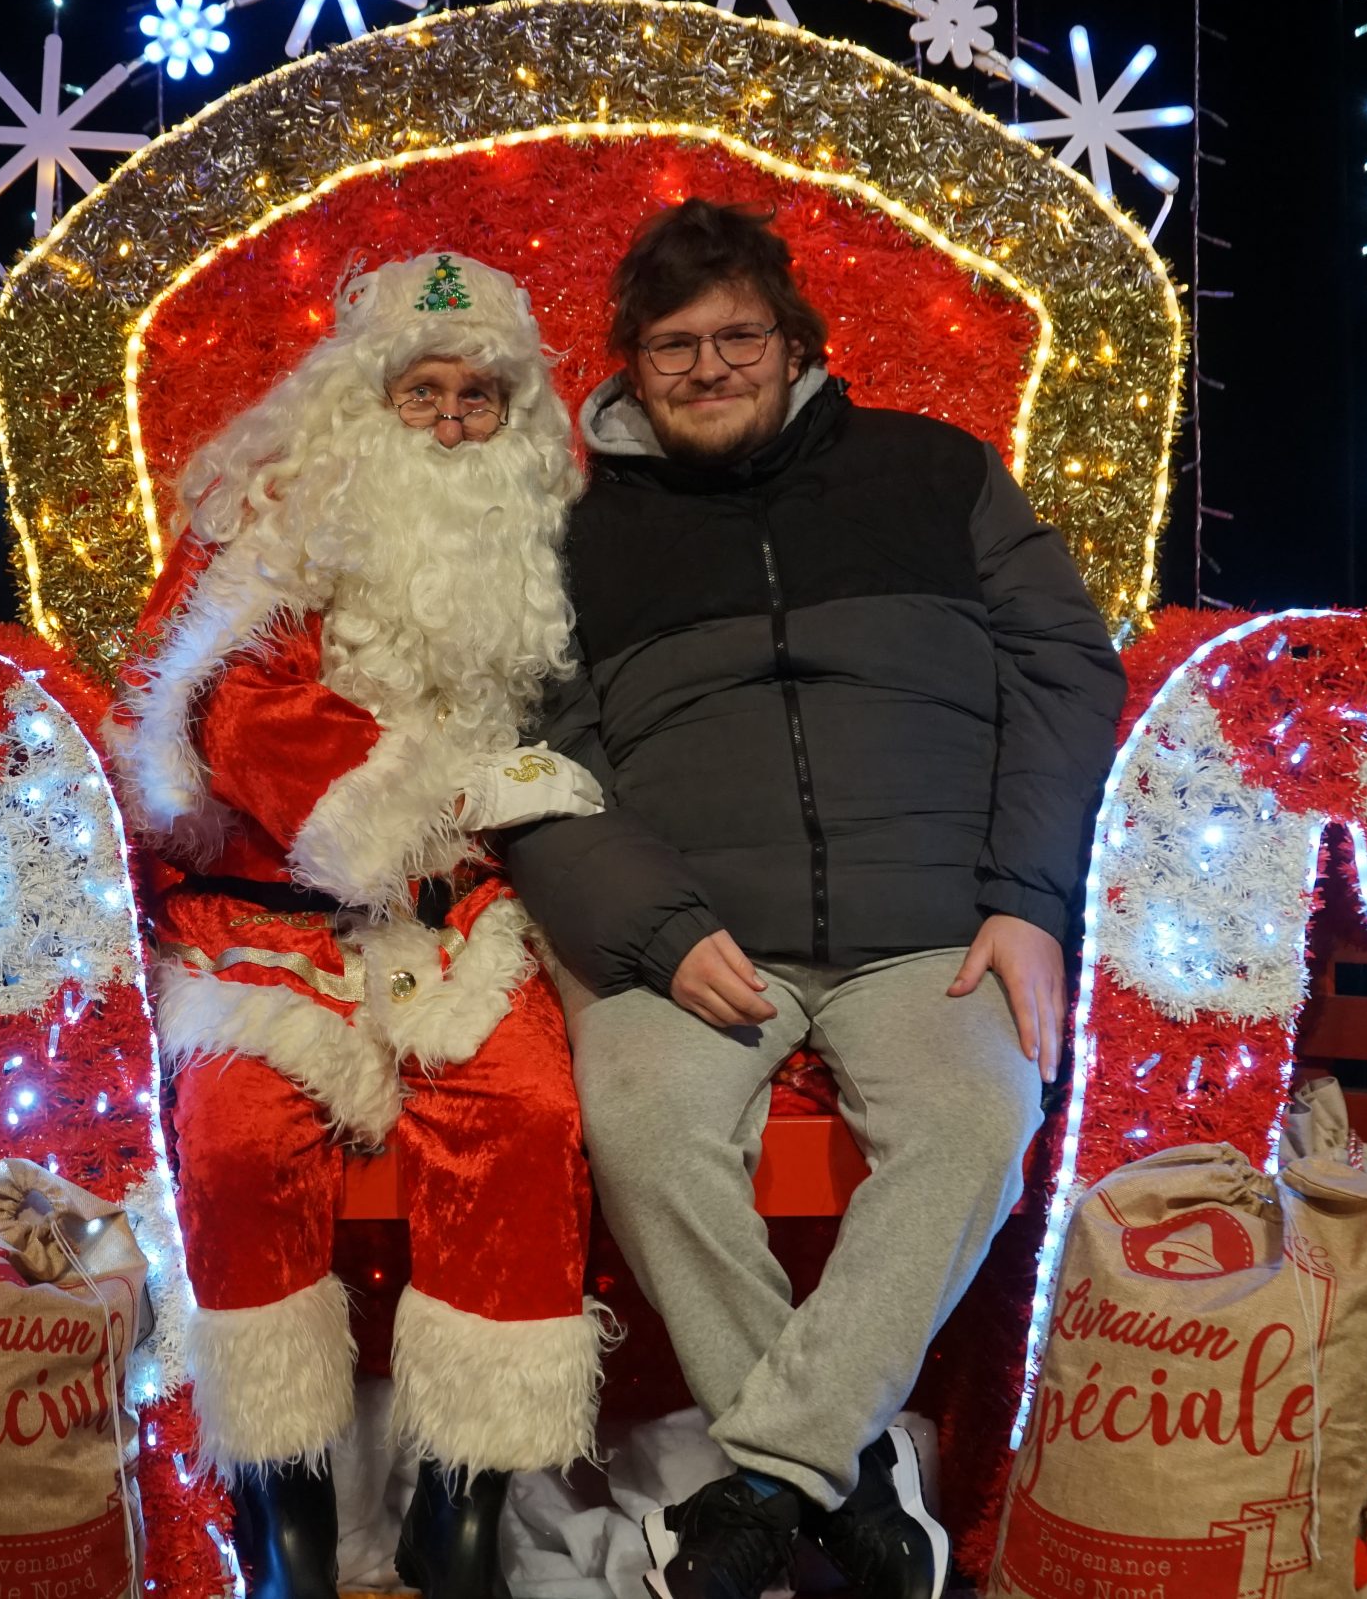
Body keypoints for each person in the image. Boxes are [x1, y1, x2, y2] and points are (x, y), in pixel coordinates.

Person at [504, 200, 1126, 1599]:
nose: (709, 367)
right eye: (674, 346)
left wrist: (1027, 901)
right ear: (629, 366)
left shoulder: (938, 473)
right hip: (695, 937)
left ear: (795, 343)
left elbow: (1066, 672)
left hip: (935, 924)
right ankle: (848, 1479)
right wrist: (656, 930)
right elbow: (537, 762)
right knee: (648, 1128)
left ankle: (768, 1483)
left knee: (978, 1117)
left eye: (739, 337)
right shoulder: (569, 540)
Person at [110, 251, 609, 1599]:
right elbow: (220, 705)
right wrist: (444, 794)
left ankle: (461, 1510)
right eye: (422, 392)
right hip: (271, 924)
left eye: (478, 398)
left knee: (528, 1117)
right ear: (364, 398)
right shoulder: (272, 517)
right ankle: (287, 1522)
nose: (449, 423)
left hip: (460, 924)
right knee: (235, 1141)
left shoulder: (539, 538)